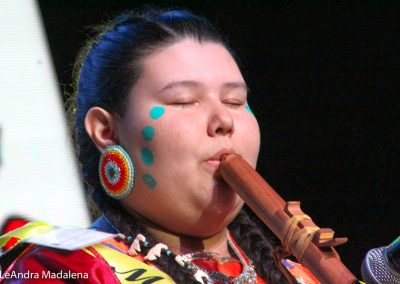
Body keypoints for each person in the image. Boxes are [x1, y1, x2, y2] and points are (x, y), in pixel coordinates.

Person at [0, 9, 319, 284]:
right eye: (184, 101)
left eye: (235, 101)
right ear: (107, 131)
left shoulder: (302, 274)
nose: (224, 119)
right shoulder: (61, 270)